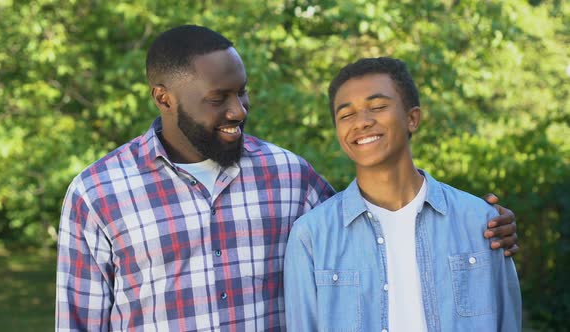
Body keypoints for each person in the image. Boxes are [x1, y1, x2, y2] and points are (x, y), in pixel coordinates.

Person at [56, 26, 518, 331]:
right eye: (220, 98)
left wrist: (486, 226)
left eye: (242, 92)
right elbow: (78, 320)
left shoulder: (289, 175)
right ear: (164, 97)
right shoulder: (98, 193)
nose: (238, 110)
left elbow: (372, 228)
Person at [284, 57, 522, 331]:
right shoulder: (312, 236)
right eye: (346, 114)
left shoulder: (482, 221)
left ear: (412, 118)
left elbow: (508, 322)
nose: (361, 122)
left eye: (378, 106)